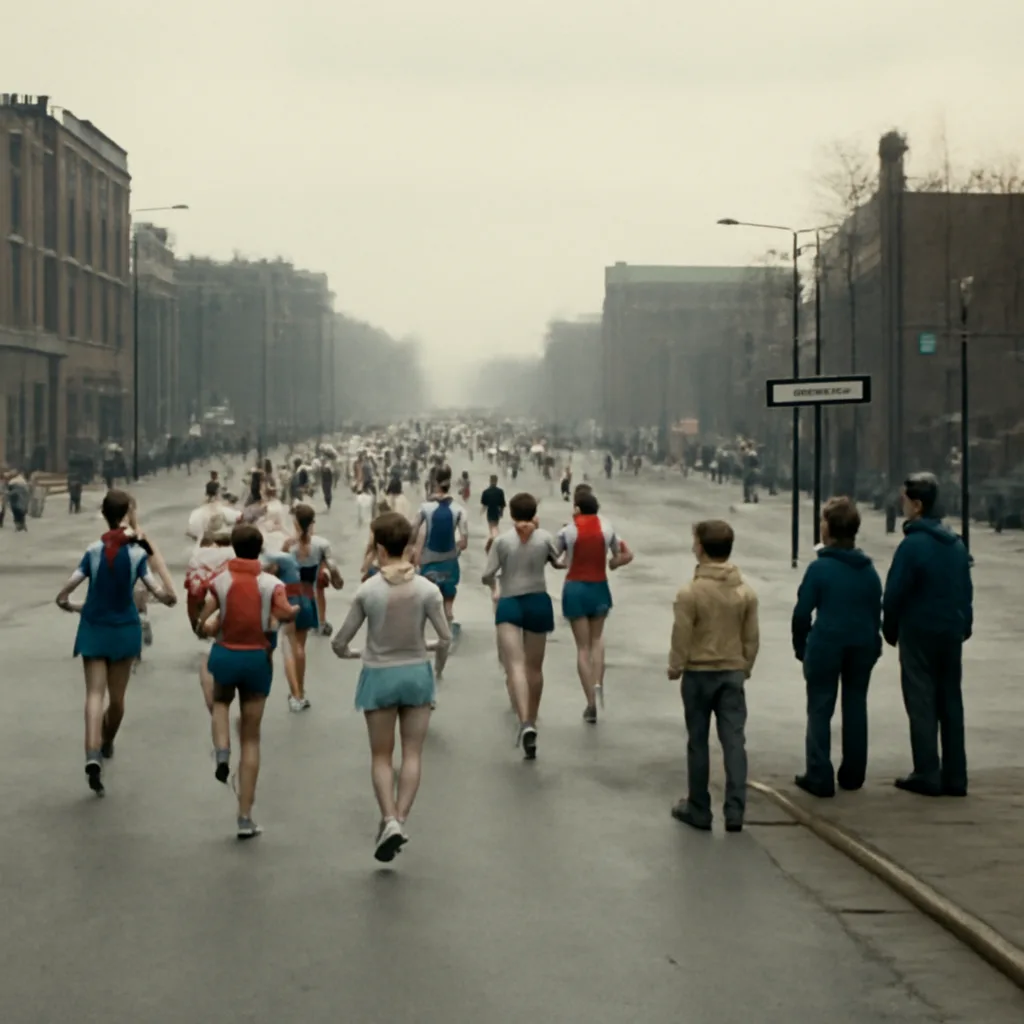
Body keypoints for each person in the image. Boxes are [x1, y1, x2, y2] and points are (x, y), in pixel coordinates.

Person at [332, 512, 451, 862]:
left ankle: (387, 818)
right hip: (416, 674)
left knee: (382, 756)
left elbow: (340, 642)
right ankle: (400, 818)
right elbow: (444, 638)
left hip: (379, 676)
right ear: (410, 547)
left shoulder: (368, 591)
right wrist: (423, 646)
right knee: (412, 753)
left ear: (379, 549)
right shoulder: (428, 590)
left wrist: (355, 653)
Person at [55, 489, 177, 795]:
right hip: (125, 628)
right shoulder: (137, 553)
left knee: (93, 694)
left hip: (94, 626)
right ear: (125, 514)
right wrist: (168, 597)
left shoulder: (93, 550)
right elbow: (156, 590)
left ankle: (92, 753)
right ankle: (107, 740)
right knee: (117, 699)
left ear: (104, 514)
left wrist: (69, 604)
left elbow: (66, 591)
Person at [196, 523, 298, 838]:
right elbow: (285, 613)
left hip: (226, 654)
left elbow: (206, 618)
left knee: (221, 702)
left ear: (234, 549)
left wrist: (209, 626)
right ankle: (244, 817)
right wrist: (290, 610)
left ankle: (222, 750)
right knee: (252, 737)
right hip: (258, 660)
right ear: (259, 549)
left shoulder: (221, 581)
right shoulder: (271, 583)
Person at [882, 472, 973, 797]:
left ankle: (926, 772)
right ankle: (955, 775)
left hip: (919, 630)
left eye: (905, 500)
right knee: (950, 700)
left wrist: (889, 627)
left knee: (921, 700)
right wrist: (965, 623)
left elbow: (894, 593)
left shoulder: (913, 546)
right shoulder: (956, 544)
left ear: (918, 505)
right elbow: (966, 589)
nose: (902, 505)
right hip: (950, 630)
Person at [667, 520, 759, 833]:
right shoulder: (744, 591)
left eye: (695, 542)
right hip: (732, 672)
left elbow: (682, 633)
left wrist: (676, 664)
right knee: (735, 740)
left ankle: (699, 807)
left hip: (698, 673)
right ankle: (735, 811)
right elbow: (751, 636)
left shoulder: (690, 593)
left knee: (698, 741)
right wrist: (745, 665)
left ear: (702, 549)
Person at [791, 497, 882, 797]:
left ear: (827, 529)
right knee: (856, 705)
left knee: (820, 708)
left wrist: (801, 645)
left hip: (827, 643)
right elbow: (874, 609)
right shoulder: (868, 570)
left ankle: (819, 774)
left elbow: (803, 612)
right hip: (862, 644)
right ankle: (853, 773)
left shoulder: (821, 569)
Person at [481, 493, 559, 760]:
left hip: (510, 603)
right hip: (538, 601)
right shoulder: (545, 538)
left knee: (514, 665)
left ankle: (523, 720)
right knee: (534, 668)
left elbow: (487, 574)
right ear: (534, 511)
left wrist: (494, 584)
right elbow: (559, 561)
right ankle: (533, 721)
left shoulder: (502, 541)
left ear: (510, 514)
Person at [556, 487, 633, 723]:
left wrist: (563, 562)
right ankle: (598, 682)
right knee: (597, 640)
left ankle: (590, 703)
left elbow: (555, 558)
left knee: (582, 648)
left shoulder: (568, 531)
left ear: (577, 509)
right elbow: (626, 554)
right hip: (600, 587)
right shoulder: (607, 528)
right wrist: (614, 563)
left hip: (576, 588)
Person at [278, 503, 344, 708]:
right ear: (312, 522)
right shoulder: (322, 545)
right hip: (308, 598)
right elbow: (337, 580)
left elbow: (275, 571)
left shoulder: (288, 546)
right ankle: (301, 691)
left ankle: (295, 694)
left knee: (288, 647)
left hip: (289, 597)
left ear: (295, 523)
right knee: (300, 646)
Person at [411, 466, 469, 644]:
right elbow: (464, 542)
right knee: (448, 604)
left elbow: (412, 534)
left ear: (434, 483)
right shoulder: (459, 510)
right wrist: (454, 553)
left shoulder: (425, 508)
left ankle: (419, 640)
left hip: (428, 562)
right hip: (450, 563)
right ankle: (447, 636)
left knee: (425, 603)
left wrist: (414, 554)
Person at [480, 473, 506, 544]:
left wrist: (481, 512)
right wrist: (501, 513)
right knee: (495, 526)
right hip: (496, 511)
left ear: (490, 481)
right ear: (496, 481)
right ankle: (495, 540)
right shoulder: (500, 491)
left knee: (491, 527)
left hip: (490, 511)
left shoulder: (486, 492)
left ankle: (493, 540)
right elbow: (502, 504)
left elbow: (484, 505)